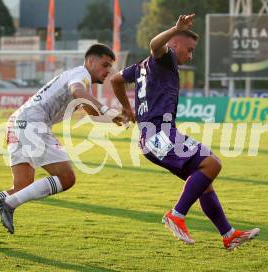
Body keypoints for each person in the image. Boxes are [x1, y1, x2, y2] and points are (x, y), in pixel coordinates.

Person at [111, 14, 259, 250]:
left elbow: (116, 80)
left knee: (203, 182)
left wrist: (128, 109)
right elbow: (154, 46)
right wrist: (175, 28)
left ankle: (228, 234)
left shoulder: (140, 67)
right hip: (159, 134)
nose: (190, 56)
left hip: (152, 137)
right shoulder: (165, 58)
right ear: (174, 44)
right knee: (212, 164)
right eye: (188, 49)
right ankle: (176, 215)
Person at [0, 44, 125, 243]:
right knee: (66, 178)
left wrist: (121, 117)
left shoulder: (79, 80)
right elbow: (77, 90)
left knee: (21, 187)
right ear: (90, 61)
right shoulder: (81, 75)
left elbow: (94, 116)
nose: (108, 71)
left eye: (110, 67)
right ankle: (8, 205)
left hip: (17, 122)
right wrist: (107, 110)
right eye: (105, 65)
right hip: (33, 123)